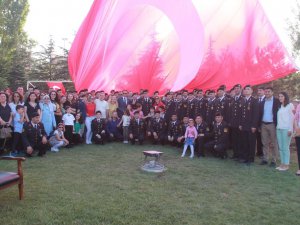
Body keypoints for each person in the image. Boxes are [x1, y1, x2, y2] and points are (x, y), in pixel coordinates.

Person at [259, 87, 281, 167]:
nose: (267, 93)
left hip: (272, 124)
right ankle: (265, 159)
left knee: (274, 143)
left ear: (272, 92)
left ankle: (274, 160)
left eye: (269, 92)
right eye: (266, 92)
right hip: (263, 124)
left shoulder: (276, 101)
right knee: (264, 143)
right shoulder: (262, 102)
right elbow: (260, 114)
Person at [238, 85, 259, 164]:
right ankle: (245, 157)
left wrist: (254, 126)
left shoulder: (254, 100)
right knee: (245, 142)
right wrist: (240, 124)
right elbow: (241, 114)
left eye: (248, 89)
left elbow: (256, 114)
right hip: (244, 125)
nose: (246, 90)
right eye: (245, 89)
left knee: (251, 142)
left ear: (251, 91)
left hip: (251, 126)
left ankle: (251, 158)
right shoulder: (243, 100)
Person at [276, 92, 294, 171]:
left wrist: (290, 129)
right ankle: (282, 164)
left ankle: (286, 164)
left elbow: (292, 118)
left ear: (285, 97)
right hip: (279, 129)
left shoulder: (290, 105)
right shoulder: (280, 106)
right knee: (281, 147)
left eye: (282, 96)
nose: (280, 98)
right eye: (279, 96)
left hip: (286, 129)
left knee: (285, 147)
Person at [256, 86, 265, 157]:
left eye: (260, 90)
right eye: (258, 91)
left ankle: (263, 153)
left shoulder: (266, 100)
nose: (259, 92)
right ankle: (259, 152)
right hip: (256, 122)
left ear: (264, 91)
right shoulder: (256, 100)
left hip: (263, 121)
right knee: (258, 138)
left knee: (263, 138)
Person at [294, 103, 300, 176]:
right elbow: (295, 118)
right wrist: (296, 128)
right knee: (299, 151)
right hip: (298, 131)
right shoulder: (299, 105)